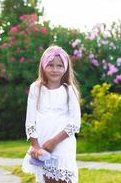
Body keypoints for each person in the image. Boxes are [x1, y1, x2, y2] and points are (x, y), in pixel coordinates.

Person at [22, 45, 81, 183]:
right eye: (50, 65)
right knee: (47, 178)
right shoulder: (36, 88)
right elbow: (30, 121)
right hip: (41, 143)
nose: (55, 69)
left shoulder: (69, 90)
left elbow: (74, 124)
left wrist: (54, 142)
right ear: (43, 66)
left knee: (62, 178)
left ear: (65, 68)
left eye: (59, 66)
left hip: (62, 142)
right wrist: (35, 145)